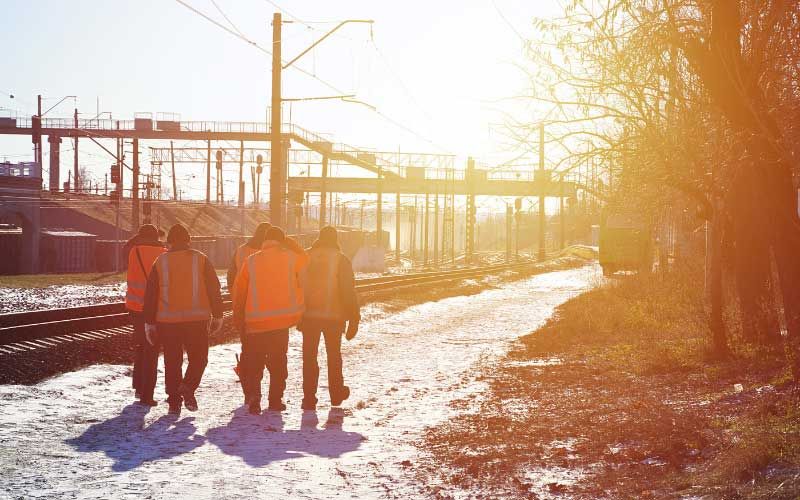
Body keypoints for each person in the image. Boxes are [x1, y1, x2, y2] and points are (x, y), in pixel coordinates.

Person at [143, 224, 224, 415]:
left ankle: (174, 401)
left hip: (167, 322)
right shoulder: (201, 259)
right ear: (188, 240)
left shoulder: (160, 262)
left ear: (169, 242)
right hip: (196, 320)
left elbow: (151, 295)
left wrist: (149, 322)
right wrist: (218, 315)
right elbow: (214, 289)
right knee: (199, 359)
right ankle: (187, 387)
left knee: (172, 361)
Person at [232, 226, 309, 415]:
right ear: (282, 241)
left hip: (255, 323)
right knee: (278, 363)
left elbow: (239, 291)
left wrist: (238, 318)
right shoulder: (291, 258)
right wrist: (291, 243)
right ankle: (275, 400)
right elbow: (306, 259)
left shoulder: (250, 261)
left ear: (264, 241)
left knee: (254, 363)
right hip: (280, 323)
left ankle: (254, 399)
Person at [298, 226, 360, 411]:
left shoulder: (305, 257)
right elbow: (348, 291)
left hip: (308, 316)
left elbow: (296, 284)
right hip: (334, 317)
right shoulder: (341, 259)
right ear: (336, 239)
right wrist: (354, 318)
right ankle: (336, 393)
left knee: (309, 358)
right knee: (334, 356)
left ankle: (309, 398)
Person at [123, 224, 167, 406]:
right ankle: (146, 395)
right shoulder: (164, 253)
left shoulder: (133, 251)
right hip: (155, 308)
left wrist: (136, 237)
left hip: (135, 307)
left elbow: (126, 246)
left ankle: (139, 387)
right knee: (152, 350)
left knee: (140, 346)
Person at [226, 222, 271, 289]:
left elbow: (231, 275)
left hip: (240, 292)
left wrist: (233, 293)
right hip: (261, 294)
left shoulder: (240, 250)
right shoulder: (269, 253)